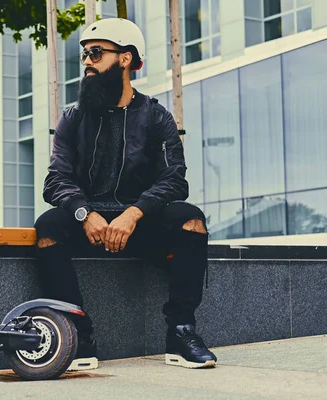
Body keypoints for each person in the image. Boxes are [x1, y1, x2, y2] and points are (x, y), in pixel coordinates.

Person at [35, 18, 217, 371]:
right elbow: (55, 180)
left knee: (191, 219)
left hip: (140, 224)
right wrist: (84, 213)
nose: (87, 61)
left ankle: (181, 332)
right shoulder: (72, 118)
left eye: (96, 53)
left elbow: (174, 180)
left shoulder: (156, 116)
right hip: (89, 224)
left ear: (126, 59)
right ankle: (77, 335)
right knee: (47, 227)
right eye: (85, 54)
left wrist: (134, 213)